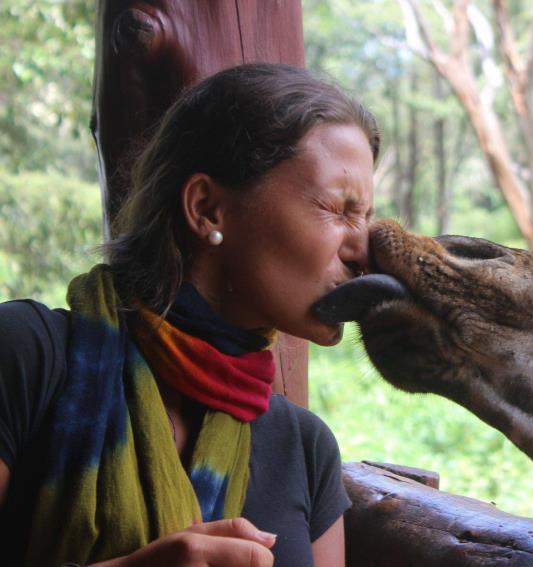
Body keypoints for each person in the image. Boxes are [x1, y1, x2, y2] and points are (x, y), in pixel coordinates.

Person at [0, 63, 379, 566]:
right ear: (207, 208)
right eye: (338, 209)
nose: (363, 251)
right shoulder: (26, 358)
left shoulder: (305, 449)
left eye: (367, 218)